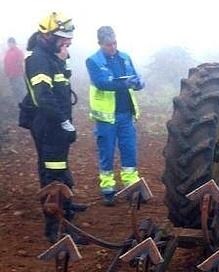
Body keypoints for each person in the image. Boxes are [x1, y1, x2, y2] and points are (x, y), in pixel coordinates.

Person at [23, 12, 87, 243]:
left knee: (59, 169)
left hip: (54, 126)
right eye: (62, 38)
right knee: (53, 176)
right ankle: (57, 229)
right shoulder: (39, 60)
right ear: (47, 36)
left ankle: (66, 208)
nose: (67, 42)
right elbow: (44, 97)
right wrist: (63, 122)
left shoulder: (51, 57)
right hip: (50, 126)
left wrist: (61, 59)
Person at [86, 26, 145, 206]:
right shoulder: (93, 61)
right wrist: (125, 83)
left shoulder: (125, 57)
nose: (112, 47)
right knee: (107, 152)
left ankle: (131, 184)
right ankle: (108, 188)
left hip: (126, 113)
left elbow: (135, 77)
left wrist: (138, 83)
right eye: (108, 45)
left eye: (114, 43)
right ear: (100, 44)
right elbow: (102, 83)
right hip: (106, 118)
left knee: (129, 150)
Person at [3, 37, 26, 101]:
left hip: (18, 75)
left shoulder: (18, 52)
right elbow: (6, 63)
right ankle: (19, 103)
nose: (10, 45)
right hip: (11, 76)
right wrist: (7, 73)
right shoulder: (7, 52)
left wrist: (13, 72)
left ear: (14, 43)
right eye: (9, 43)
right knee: (15, 90)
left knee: (21, 90)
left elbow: (19, 62)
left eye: (11, 43)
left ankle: (25, 103)